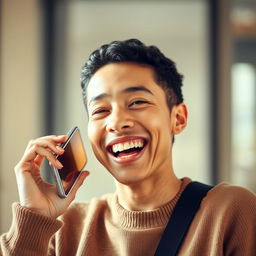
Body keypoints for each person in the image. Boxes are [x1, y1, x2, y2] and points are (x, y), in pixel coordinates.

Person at [1, 39, 256, 256]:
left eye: (136, 102)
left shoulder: (230, 212)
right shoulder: (66, 231)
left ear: (177, 118)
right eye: (101, 110)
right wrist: (34, 218)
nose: (117, 122)